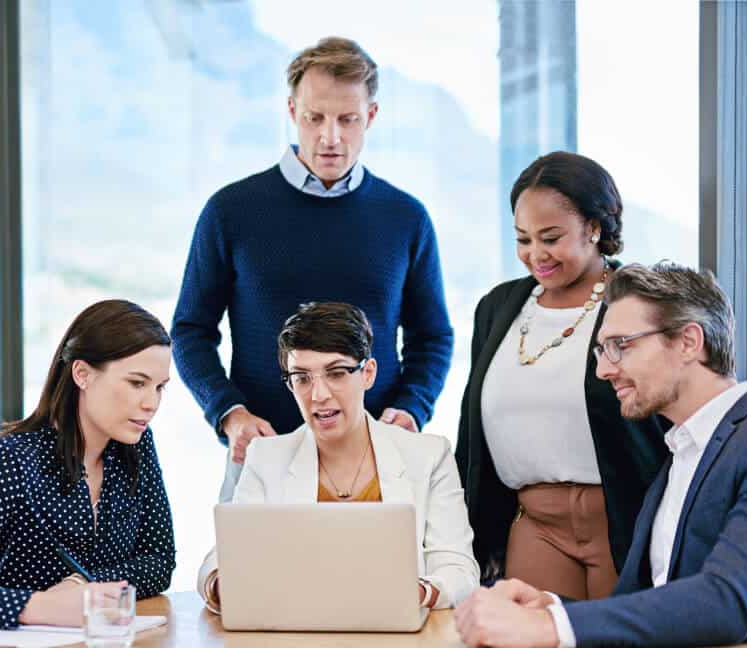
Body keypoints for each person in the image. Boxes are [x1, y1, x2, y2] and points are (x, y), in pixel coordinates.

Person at [455, 262, 747, 648]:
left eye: (620, 346)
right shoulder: (679, 456)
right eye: (602, 350)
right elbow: (645, 601)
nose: (604, 370)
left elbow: (727, 600)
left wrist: (550, 628)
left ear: (688, 342)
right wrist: (548, 605)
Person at [172, 36, 454, 502]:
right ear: (290, 110)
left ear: (372, 117)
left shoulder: (406, 217)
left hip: (377, 463)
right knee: (247, 576)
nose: (330, 137)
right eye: (315, 117)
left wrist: (411, 409)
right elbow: (189, 330)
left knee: (381, 577)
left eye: (348, 119)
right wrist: (229, 413)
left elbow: (433, 337)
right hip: (263, 457)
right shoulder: (231, 211)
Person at [456, 151, 667, 599]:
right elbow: (471, 436)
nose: (536, 255)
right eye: (523, 239)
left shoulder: (639, 301)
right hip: (535, 524)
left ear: (594, 227)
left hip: (622, 519)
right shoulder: (497, 308)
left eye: (550, 237)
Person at [197, 302, 478, 613]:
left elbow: (460, 569)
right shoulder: (266, 458)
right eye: (302, 378)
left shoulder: (428, 456)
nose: (318, 395)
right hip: (298, 642)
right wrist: (227, 584)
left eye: (336, 373)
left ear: (368, 373)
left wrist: (417, 593)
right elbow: (220, 561)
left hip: (398, 640)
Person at [0, 300, 176, 629]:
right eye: (137, 383)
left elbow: (158, 562)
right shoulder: (11, 459)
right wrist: (37, 606)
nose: (151, 403)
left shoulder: (137, 446)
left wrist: (82, 585)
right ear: (82, 374)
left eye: (159, 387)